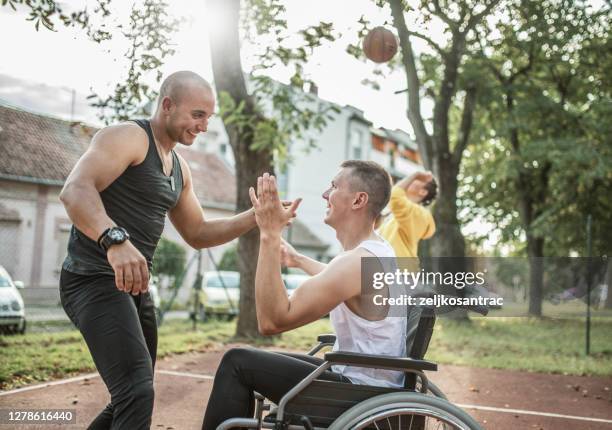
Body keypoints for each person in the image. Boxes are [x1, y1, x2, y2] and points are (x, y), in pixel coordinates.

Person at [59, 71, 268, 430]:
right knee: (136, 392)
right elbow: (75, 190)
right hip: (91, 278)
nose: (203, 126)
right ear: (167, 105)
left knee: (133, 395)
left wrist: (256, 216)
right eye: (197, 115)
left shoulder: (179, 169)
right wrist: (115, 239)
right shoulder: (128, 137)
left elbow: (199, 232)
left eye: (209, 117)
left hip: (134, 288)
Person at [202, 161, 406, 430]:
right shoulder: (376, 252)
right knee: (250, 361)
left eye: (333, 186)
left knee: (237, 363)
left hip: (360, 394)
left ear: (358, 200)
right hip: (371, 383)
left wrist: (270, 234)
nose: (324, 194)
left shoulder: (356, 262)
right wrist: (298, 260)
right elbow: (341, 282)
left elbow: (272, 321)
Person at [377, 171, 437, 258]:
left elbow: (394, 195)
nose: (409, 180)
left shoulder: (420, 214)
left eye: (417, 180)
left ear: (423, 192)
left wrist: (415, 174)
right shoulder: (395, 214)